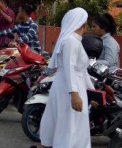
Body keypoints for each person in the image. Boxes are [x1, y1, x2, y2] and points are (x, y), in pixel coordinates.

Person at [38, 8, 93, 148]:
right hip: (68, 89)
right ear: (82, 24)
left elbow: (82, 71)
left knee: (68, 125)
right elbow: (69, 68)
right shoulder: (70, 42)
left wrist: (93, 92)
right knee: (68, 126)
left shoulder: (74, 41)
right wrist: (74, 93)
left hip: (69, 86)